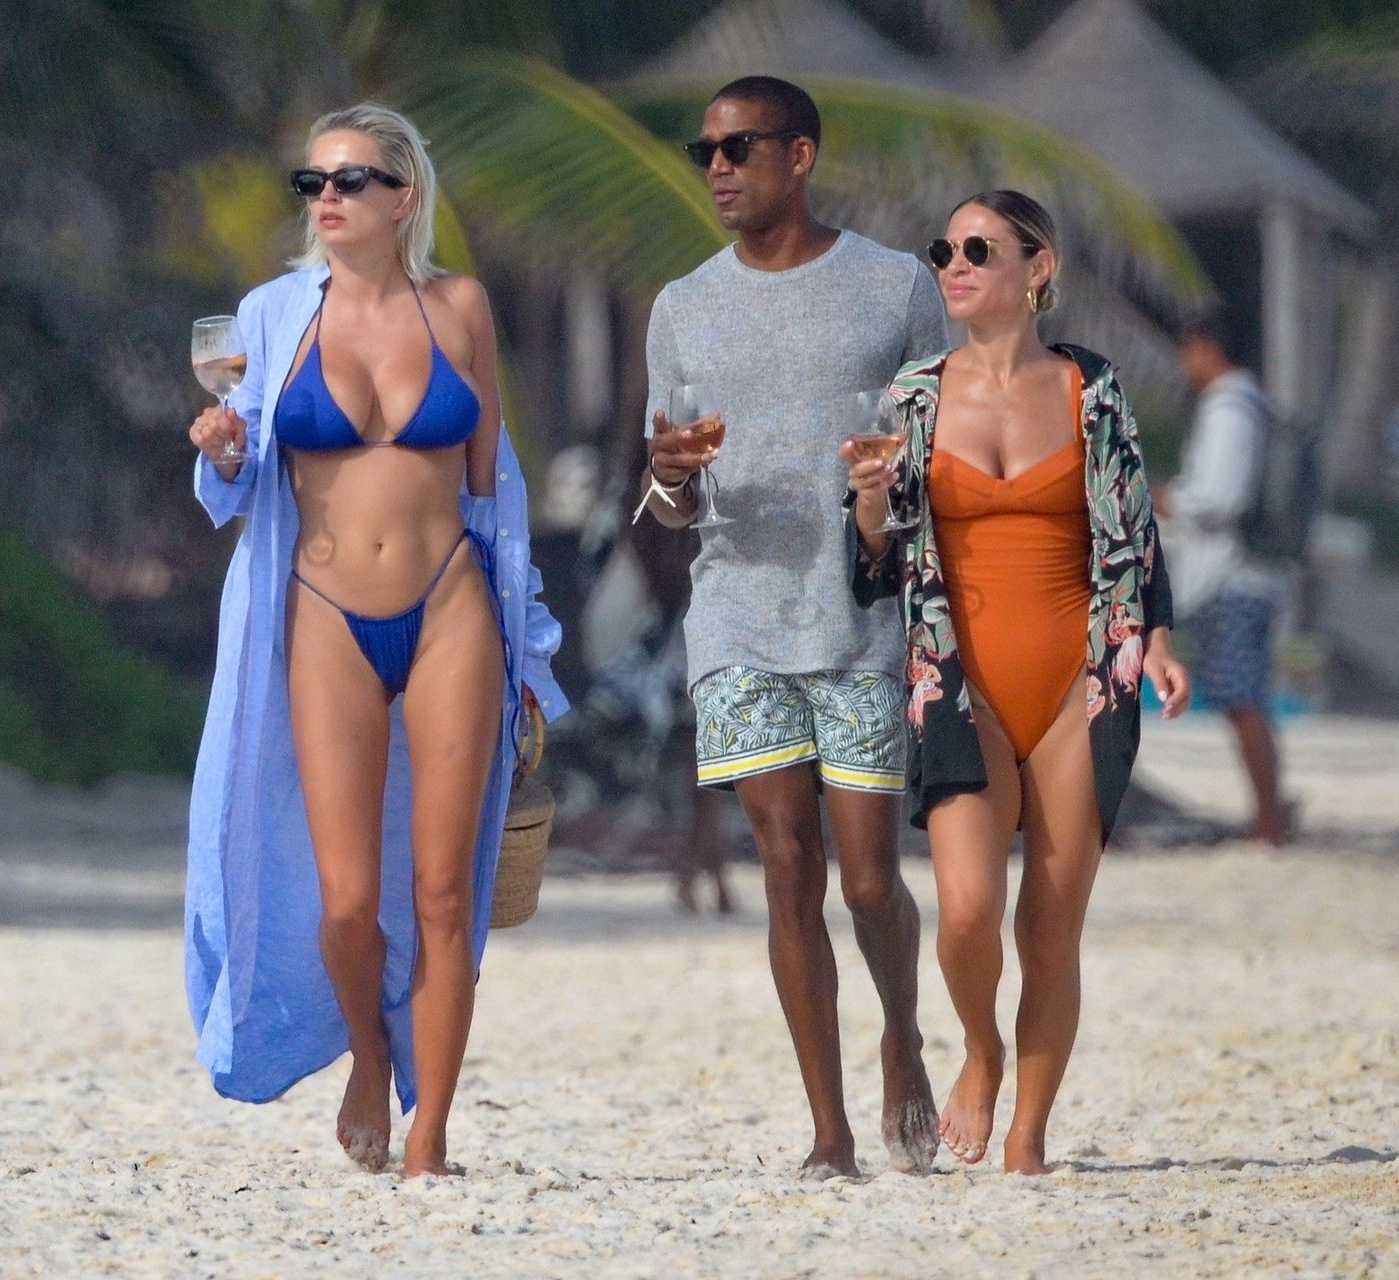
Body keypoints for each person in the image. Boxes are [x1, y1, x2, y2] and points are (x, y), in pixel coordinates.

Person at [183, 103, 566, 1178]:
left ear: (404, 195)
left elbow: (494, 491)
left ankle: (430, 1132)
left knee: (445, 890)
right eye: (312, 182)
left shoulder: (461, 306)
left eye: (350, 179)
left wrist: (527, 651)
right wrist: (221, 451)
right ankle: (366, 1051)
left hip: (451, 607)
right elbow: (240, 473)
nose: (327, 198)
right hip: (323, 611)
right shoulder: (270, 315)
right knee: (348, 902)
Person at [843, 191, 1191, 1175]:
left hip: (1085, 683)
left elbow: (1136, 538)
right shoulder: (911, 397)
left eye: (977, 249)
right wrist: (867, 503)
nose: (953, 266)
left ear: (1038, 268)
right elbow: (872, 564)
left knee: (1048, 925)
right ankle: (982, 1049)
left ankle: (1029, 1137)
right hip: (960, 688)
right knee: (965, 912)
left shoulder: (1093, 388)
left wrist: (1160, 642)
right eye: (943, 250)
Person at [641, 76, 946, 1179]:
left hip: (860, 613)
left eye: (740, 148)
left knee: (868, 880)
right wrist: (672, 475)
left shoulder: (896, 285)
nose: (718, 169)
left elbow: (940, 458)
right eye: (705, 153)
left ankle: (903, 1040)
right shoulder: (682, 304)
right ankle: (830, 1129)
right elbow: (668, 502)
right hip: (735, 613)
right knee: (785, 864)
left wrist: (887, 501)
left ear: (801, 154)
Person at [1157, 311, 1292, 844]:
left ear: (1209, 348)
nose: (1184, 362)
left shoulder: (1229, 407)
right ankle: (1271, 811)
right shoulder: (1251, 404)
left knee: (1241, 699)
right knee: (1246, 697)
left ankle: (1268, 822)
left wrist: (1168, 499)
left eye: (1188, 349)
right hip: (1250, 572)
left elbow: (1220, 497)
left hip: (1230, 575)